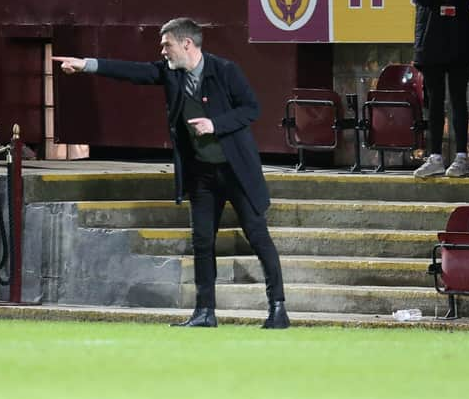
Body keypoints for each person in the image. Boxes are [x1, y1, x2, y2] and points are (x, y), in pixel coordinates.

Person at [52, 17, 290, 329]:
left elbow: (251, 109)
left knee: (258, 237)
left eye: (167, 44)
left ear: (187, 44)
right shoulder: (170, 73)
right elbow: (133, 72)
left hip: (236, 171)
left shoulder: (225, 71)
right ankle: (205, 312)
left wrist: (214, 124)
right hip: (201, 174)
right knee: (202, 242)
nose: (162, 50)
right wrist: (86, 65)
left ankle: (277, 309)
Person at [409, 0, 469, 178]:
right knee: (435, 101)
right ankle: (435, 157)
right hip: (430, 41)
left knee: (458, 99)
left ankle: (461, 158)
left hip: (459, 39)